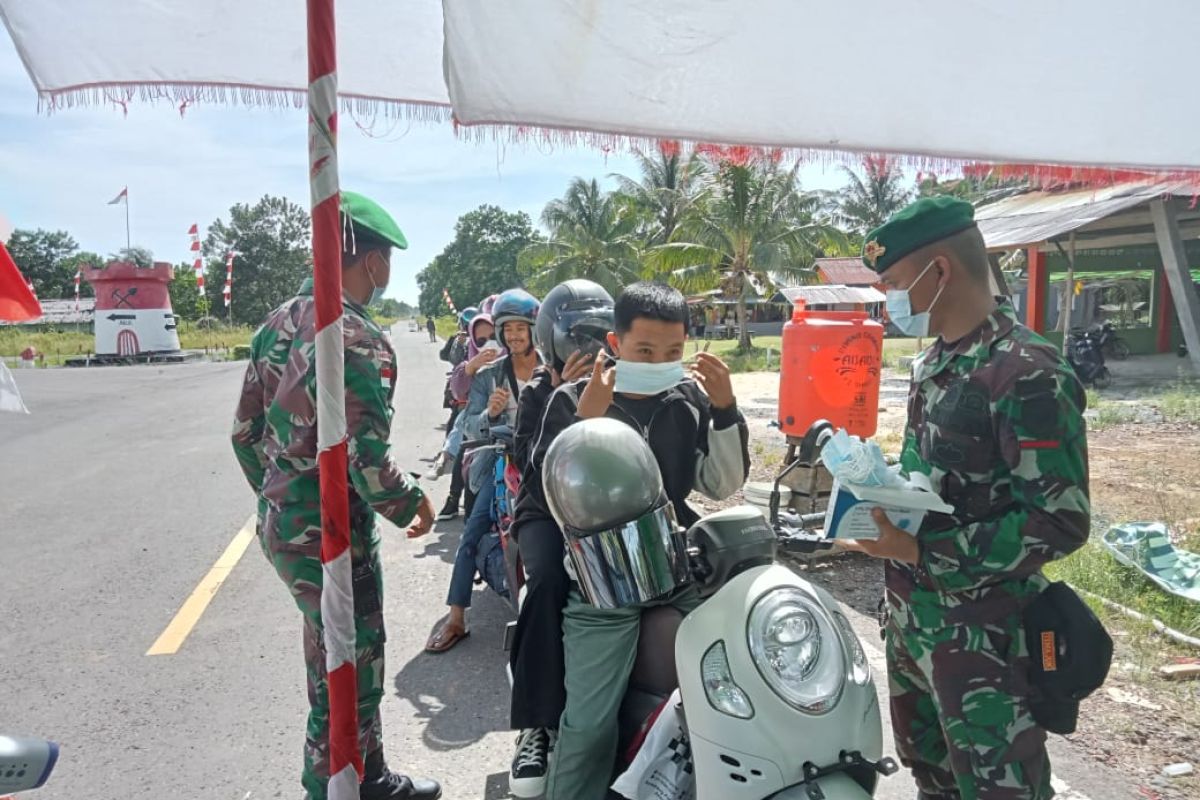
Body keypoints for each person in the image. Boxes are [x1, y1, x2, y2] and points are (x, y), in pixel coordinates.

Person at [841, 196, 1090, 800]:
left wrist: (925, 552)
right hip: (911, 623)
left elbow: (1058, 521)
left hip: (986, 642)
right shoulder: (935, 362)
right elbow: (930, 482)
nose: (891, 299)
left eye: (895, 283)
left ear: (941, 271)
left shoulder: (1026, 372)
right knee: (934, 783)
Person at [231, 191, 441, 800]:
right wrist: (412, 505)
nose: (387, 273)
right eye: (388, 262)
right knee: (348, 670)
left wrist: (281, 497)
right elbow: (366, 461)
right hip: (333, 538)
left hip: (285, 526)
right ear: (373, 263)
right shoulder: (354, 337)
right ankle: (327, 789)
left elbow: (244, 434)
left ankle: (368, 774)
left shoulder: (276, 322)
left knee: (336, 651)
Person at [527, 281, 750, 800]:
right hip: (602, 580)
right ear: (616, 342)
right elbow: (544, 487)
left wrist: (724, 409)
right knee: (587, 726)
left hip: (673, 568)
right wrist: (588, 417)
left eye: (672, 352)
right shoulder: (570, 399)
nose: (658, 361)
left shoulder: (689, 399)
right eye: (645, 351)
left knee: (740, 677)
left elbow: (720, 484)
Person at [505, 280, 612, 798]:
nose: (587, 351)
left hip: (609, 513)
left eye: (597, 338)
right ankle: (536, 727)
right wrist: (564, 398)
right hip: (545, 512)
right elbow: (531, 465)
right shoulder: (537, 394)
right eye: (577, 339)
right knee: (548, 581)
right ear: (553, 342)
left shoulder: (620, 383)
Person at [425, 288, 542, 653]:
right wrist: (490, 414)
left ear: (536, 329)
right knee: (472, 532)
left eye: (521, 328)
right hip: (503, 462)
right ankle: (457, 616)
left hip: (545, 462)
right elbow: (468, 424)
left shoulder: (551, 369)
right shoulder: (490, 374)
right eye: (508, 329)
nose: (514, 335)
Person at [431, 312, 498, 521]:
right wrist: (472, 364)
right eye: (481, 340)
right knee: (461, 439)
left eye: (494, 337)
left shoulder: (519, 362)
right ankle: (453, 498)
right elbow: (458, 387)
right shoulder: (466, 355)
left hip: (510, 435)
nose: (489, 344)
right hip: (474, 420)